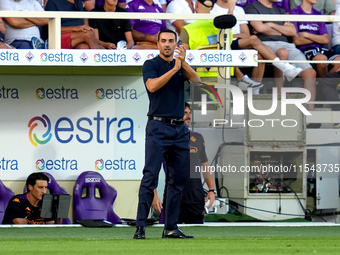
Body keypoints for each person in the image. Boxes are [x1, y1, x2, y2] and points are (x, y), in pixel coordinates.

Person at [133, 29, 200, 239]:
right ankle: (141, 227)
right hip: (158, 127)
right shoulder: (151, 65)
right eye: (164, 41)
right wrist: (174, 70)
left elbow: (197, 82)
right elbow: (152, 86)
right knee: (150, 177)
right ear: (158, 44)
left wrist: (183, 64)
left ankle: (170, 227)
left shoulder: (182, 65)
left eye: (171, 41)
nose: (168, 44)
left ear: (176, 44)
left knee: (177, 180)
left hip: (180, 129)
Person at [245, 0, 316, 110]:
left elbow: (292, 31)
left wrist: (271, 25)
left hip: (287, 44)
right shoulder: (251, 7)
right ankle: (279, 98)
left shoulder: (281, 10)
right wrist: (281, 30)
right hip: (264, 44)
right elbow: (260, 28)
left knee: (310, 73)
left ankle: (311, 114)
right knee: (282, 52)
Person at [152, 103, 216, 224]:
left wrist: (212, 190)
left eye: (189, 113)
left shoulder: (197, 137)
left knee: (197, 238)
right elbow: (152, 169)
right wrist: (154, 195)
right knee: (166, 237)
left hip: (195, 199)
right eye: (185, 113)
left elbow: (206, 165)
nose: (188, 116)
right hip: (173, 199)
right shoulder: (165, 138)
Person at [291, 0, 340, 77]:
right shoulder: (294, 13)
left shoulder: (318, 14)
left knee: (339, 61)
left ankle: (324, 84)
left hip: (322, 49)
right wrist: (318, 38)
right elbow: (296, 40)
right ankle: (324, 86)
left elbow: (326, 40)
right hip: (305, 50)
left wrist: (306, 35)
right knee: (322, 59)